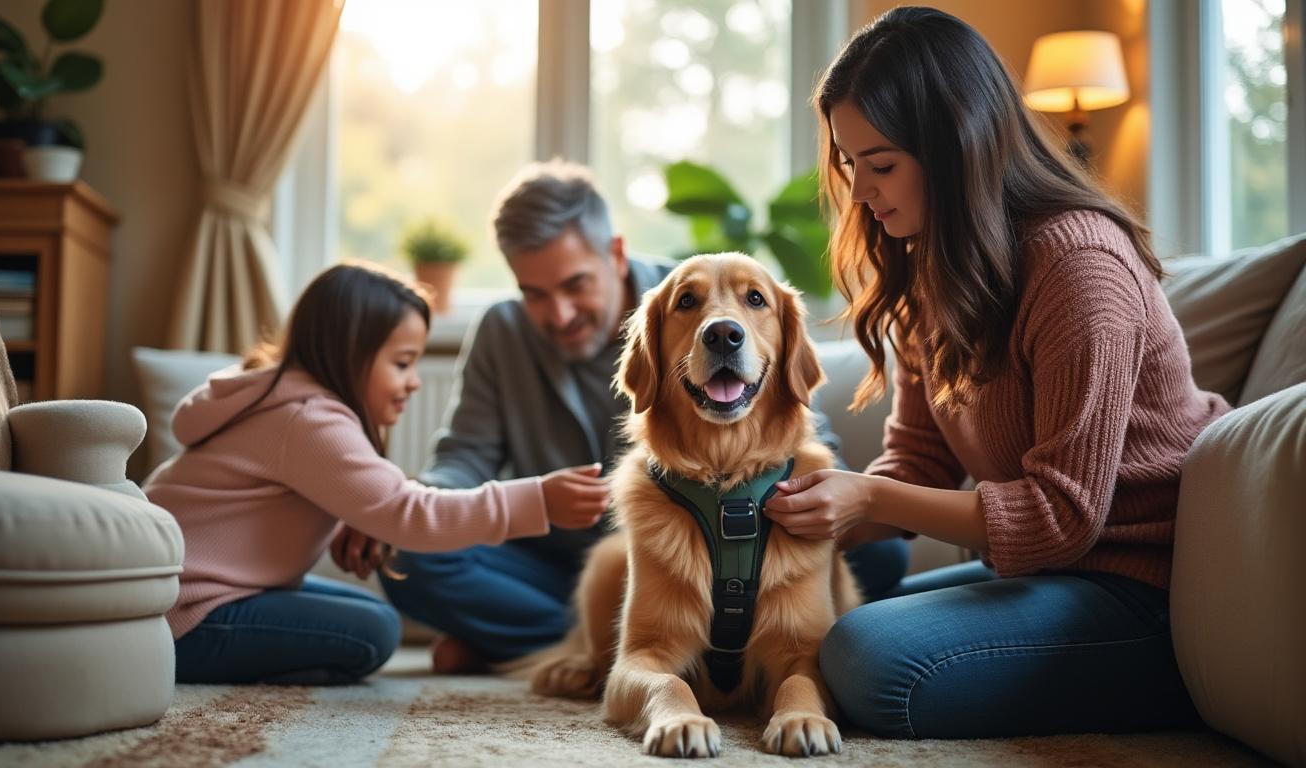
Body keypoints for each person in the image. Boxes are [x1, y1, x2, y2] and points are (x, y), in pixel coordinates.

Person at [759, 7, 1231, 739]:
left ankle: (1160, 691)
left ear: (955, 148)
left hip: (1148, 591)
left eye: (880, 165)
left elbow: (1062, 519)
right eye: (850, 165)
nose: (858, 192)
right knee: (841, 610)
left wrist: (866, 498)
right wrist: (790, 519)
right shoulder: (931, 270)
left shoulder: (1079, 265)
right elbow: (919, 462)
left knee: (867, 657)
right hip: (1042, 580)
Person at [379, 161, 910, 673]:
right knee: (406, 557)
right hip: (550, 565)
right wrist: (404, 505)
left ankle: (522, 645)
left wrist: (825, 504)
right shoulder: (501, 331)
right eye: (533, 294)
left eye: (574, 285)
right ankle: (626, 645)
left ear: (614, 253)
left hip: (717, 555)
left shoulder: (690, 301)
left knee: (879, 553)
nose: (558, 314)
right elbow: (463, 459)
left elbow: (802, 431)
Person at [144, 261, 608, 685]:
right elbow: (408, 512)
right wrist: (537, 501)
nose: (414, 381)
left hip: (187, 597)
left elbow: (305, 493)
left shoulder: (290, 405)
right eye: (403, 363)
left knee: (367, 609)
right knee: (373, 634)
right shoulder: (308, 419)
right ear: (350, 354)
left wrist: (347, 513)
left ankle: (503, 650)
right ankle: (580, 651)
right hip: (186, 617)